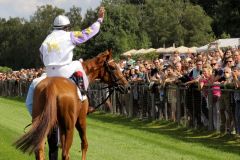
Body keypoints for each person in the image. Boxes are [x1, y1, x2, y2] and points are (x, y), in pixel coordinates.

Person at [25, 7, 105, 160]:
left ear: (54, 27)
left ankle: (37, 119)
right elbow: (88, 33)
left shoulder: (46, 40)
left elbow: (41, 54)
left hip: (48, 73)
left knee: (31, 96)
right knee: (79, 67)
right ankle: (83, 101)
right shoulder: (70, 35)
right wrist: (99, 20)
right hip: (65, 71)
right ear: (67, 27)